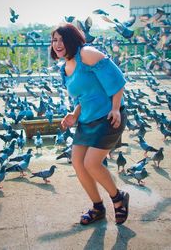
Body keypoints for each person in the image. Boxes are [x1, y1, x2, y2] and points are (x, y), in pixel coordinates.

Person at [50, 23, 129, 225]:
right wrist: (74, 115)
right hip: (86, 121)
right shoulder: (64, 69)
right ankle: (98, 207)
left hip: (109, 117)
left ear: (71, 39)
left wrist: (115, 108)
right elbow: (82, 98)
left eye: (61, 39)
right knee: (77, 163)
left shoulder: (87, 54)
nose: (57, 44)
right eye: (54, 40)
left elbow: (117, 79)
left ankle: (118, 199)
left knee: (91, 163)